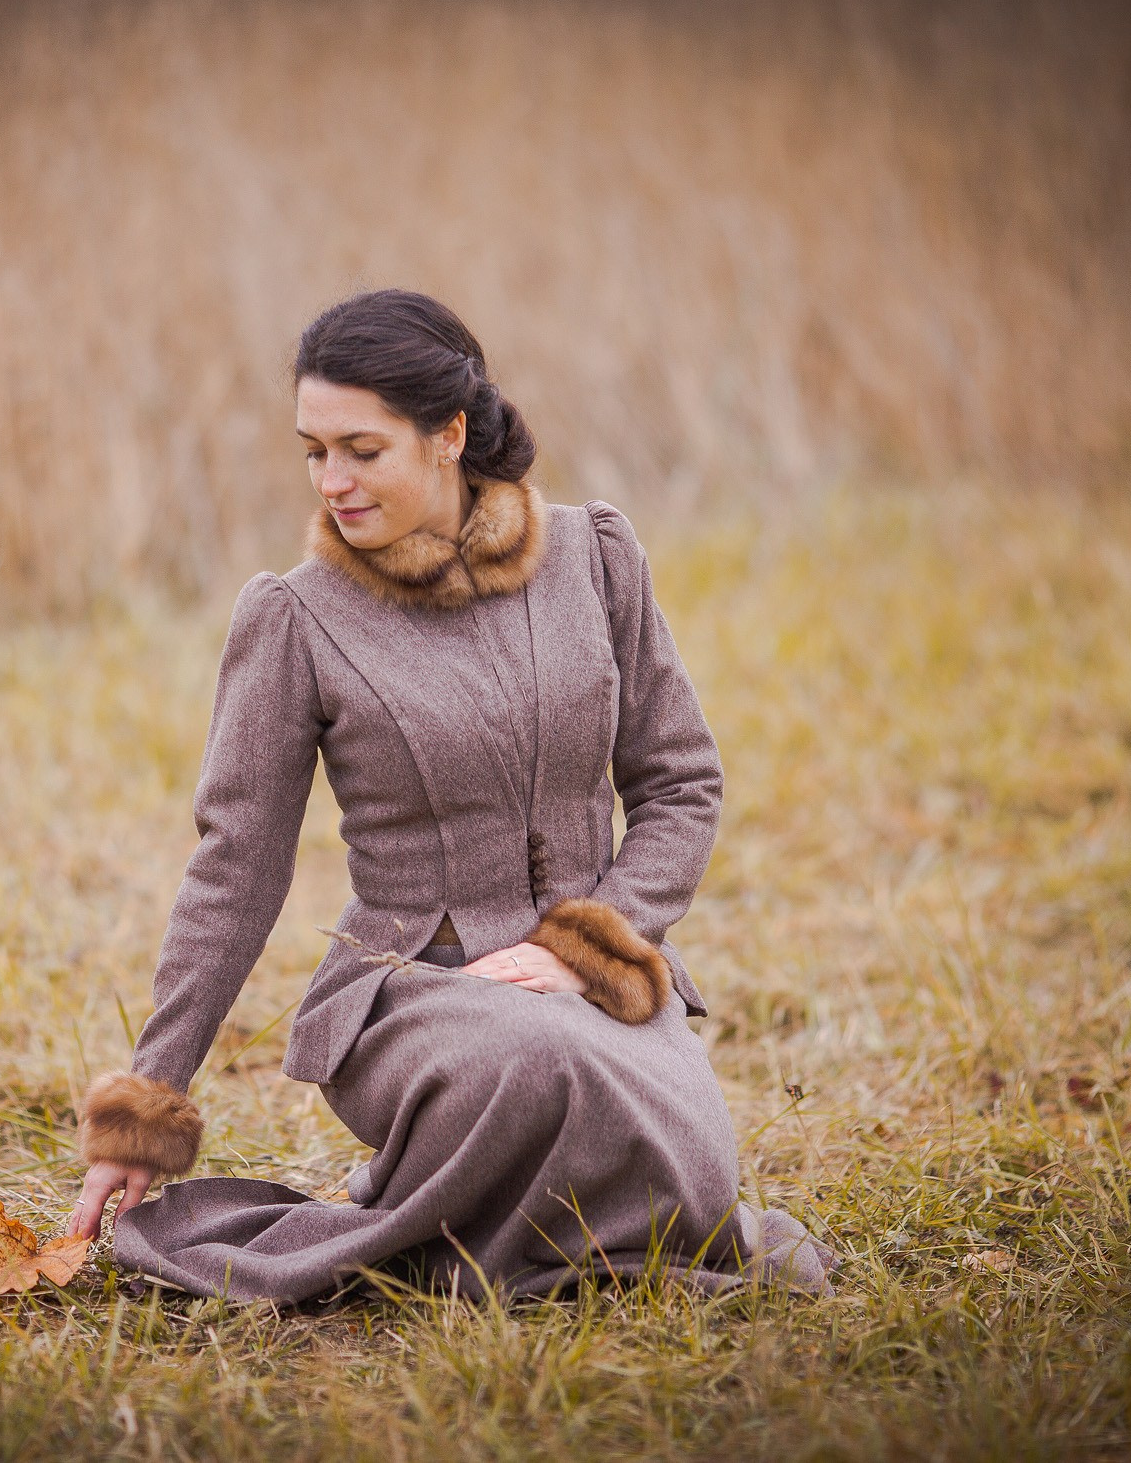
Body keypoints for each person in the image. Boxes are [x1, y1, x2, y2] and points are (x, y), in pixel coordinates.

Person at [62, 289, 836, 1303]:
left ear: (449, 436)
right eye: (313, 450)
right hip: (407, 992)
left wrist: (586, 947)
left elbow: (682, 784)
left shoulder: (595, 558)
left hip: (592, 974)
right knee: (541, 1066)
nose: (331, 481)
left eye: (362, 449)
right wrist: (149, 1101)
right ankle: (456, 1220)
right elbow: (237, 862)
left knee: (693, 1178)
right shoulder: (294, 618)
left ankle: (452, 1222)